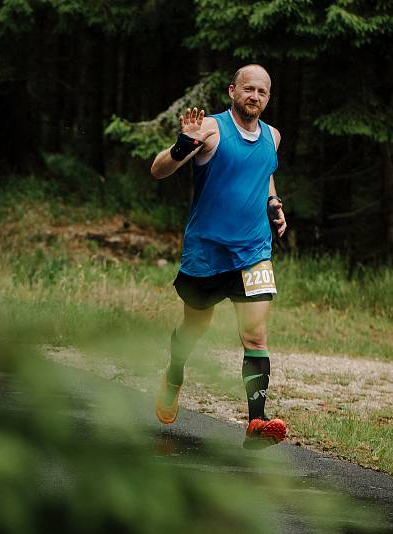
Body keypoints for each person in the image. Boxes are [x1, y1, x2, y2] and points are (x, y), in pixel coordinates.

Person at [149, 64, 287, 449]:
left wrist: (272, 201)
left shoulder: (272, 137)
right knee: (195, 326)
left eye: (261, 92)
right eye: (248, 89)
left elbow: (265, 173)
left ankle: (256, 423)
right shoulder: (210, 128)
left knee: (255, 335)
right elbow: (159, 170)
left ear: (268, 97)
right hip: (207, 253)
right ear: (232, 91)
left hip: (254, 253)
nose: (254, 97)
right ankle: (174, 375)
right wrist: (181, 145)